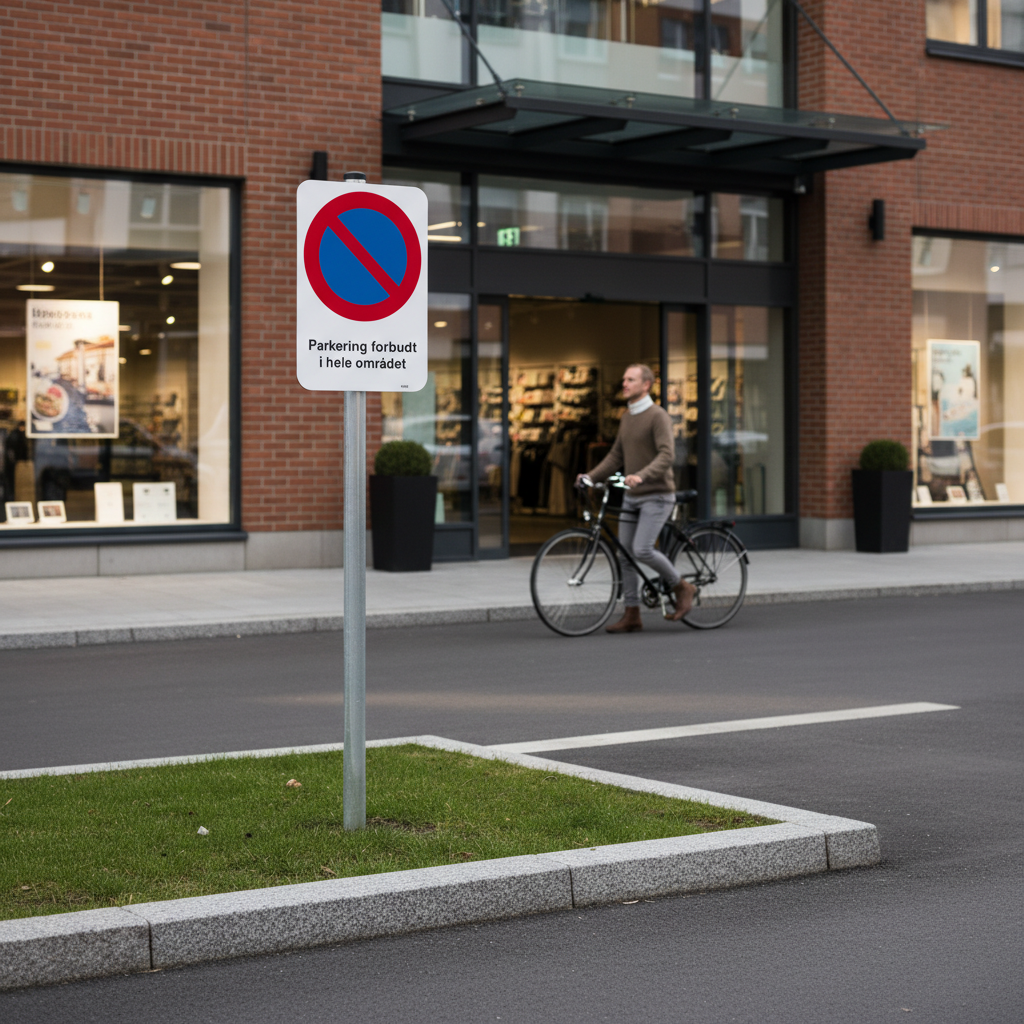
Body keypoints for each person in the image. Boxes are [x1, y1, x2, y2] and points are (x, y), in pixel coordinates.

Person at [578, 364, 695, 633]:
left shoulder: (658, 416)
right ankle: (632, 614)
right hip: (633, 497)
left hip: (657, 495)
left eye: (630, 379)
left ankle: (683, 586)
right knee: (625, 554)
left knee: (642, 549)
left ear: (647, 385)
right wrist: (591, 477)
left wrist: (641, 475)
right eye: (624, 379)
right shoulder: (626, 417)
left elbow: (667, 455)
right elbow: (616, 456)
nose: (624, 383)